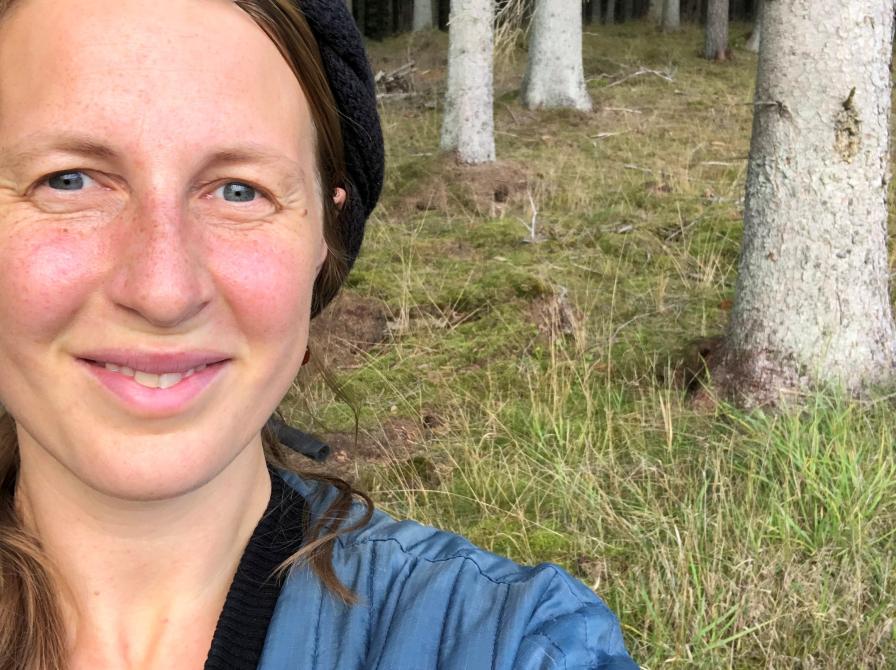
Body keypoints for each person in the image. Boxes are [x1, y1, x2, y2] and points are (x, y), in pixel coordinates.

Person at [0, 0, 639, 668]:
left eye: (240, 191)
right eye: (67, 181)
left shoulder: (512, 643)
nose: (163, 292)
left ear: (323, 240)